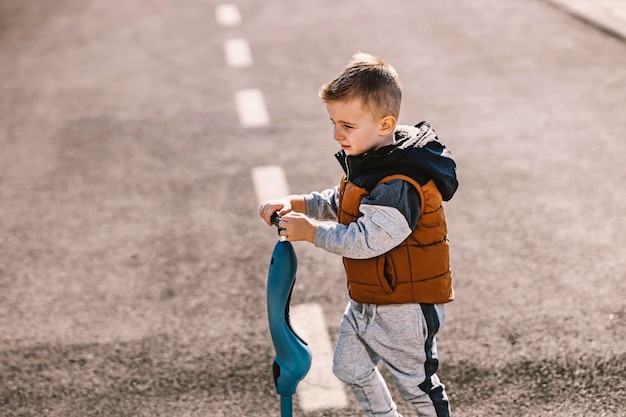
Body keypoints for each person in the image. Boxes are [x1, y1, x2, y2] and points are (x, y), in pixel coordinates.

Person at [259, 52, 458, 417]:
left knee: (416, 384)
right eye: (333, 122)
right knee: (348, 368)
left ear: (385, 125)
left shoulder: (400, 181)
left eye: (347, 125)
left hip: (407, 305)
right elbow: (344, 201)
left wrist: (312, 233)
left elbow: (368, 239)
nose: (337, 134)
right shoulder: (371, 161)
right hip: (370, 298)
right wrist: (300, 202)